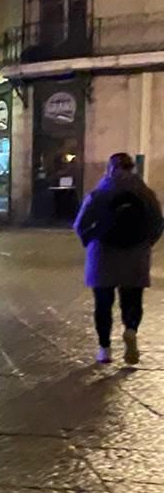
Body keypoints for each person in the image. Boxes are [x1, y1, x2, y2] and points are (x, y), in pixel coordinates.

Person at [74, 153, 164, 364]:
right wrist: (146, 243)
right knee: (132, 300)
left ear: (110, 168)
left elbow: (80, 224)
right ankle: (131, 329)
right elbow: (158, 223)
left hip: (103, 253)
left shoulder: (99, 192)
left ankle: (105, 349)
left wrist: (89, 241)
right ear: (132, 168)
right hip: (136, 254)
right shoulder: (147, 194)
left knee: (103, 303)